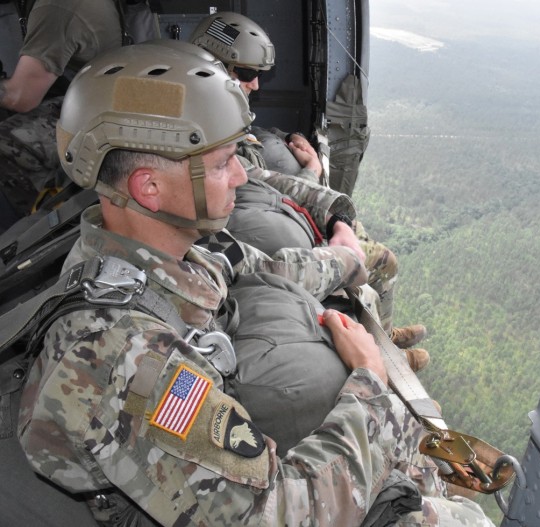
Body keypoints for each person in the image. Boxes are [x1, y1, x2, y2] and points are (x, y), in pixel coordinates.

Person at [18, 43, 495, 527]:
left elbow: (263, 267)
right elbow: (277, 515)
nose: (243, 174)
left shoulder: (169, 249)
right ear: (150, 188)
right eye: (225, 162)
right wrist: (369, 381)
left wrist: (348, 261)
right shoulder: (126, 359)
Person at [189, 11, 428, 360]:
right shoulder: (200, 137)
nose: (255, 85)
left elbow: (259, 176)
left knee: (375, 255)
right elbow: (264, 189)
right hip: (275, 237)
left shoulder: (223, 122)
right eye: (249, 74)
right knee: (381, 266)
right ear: (216, 68)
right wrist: (313, 170)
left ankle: (386, 337)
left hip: (290, 220)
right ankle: (386, 351)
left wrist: (335, 215)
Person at [0, 0, 122, 227]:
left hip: (102, 116)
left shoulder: (56, 7)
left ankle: (29, 236)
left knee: (6, 145)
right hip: (95, 99)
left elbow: (22, 97)